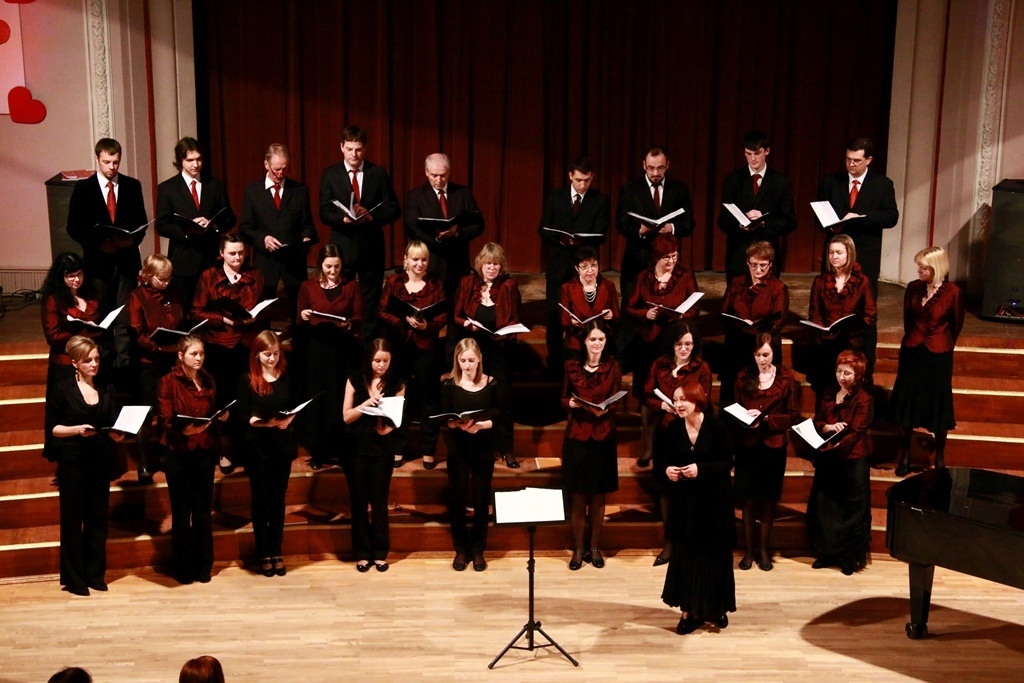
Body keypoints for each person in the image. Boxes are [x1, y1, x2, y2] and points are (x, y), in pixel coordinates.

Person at [45, 336, 124, 596]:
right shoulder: (62, 389)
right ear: (75, 363)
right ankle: (74, 577)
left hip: (100, 460)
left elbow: (113, 421)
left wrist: (118, 434)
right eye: (88, 360)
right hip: (73, 462)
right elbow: (53, 429)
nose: (94, 364)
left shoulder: (106, 387)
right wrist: (77, 430)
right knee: (72, 520)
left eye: (97, 359)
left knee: (98, 519)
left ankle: (95, 574)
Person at [658, 383, 735, 635]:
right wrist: (668, 470)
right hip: (686, 503)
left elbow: (727, 461)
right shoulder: (672, 428)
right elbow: (664, 462)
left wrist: (701, 469)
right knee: (688, 555)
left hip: (714, 502)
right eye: (676, 399)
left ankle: (715, 606)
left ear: (697, 400)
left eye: (684, 400)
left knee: (713, 553)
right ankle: (688, 611)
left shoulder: (716, 424)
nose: (679, 404)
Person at [66, 137, 148, 373]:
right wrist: (100, 244)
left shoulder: (132, 186)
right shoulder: (84, 188)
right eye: (107, 162)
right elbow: (74, 227)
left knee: (125, 316)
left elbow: (141, 223)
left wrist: (130, 241)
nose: (112, 167)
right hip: (98, 262)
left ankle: (124, 368)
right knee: (100, 314)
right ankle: (101, 365)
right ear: (97, 158)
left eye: (115, 162)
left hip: (125, 261)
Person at [319, 125, 402, 339]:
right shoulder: (330, 174)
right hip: (343, 246)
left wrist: (372, 217)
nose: (354, 154)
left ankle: (368, 345)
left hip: (371, 245)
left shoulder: (378, 173)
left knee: (370, 298)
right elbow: (324, 212)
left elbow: (393, 208)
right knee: (341, 296)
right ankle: (343, 340)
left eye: (358, 149)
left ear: (364, 149)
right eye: (349, 149)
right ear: (341, 148)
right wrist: (343, 218)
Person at [624, 234, 699, 466]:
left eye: (675, 256)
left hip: (675, 346)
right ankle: (648, 448)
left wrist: (680, 315)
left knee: (676, 397)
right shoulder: (643, 277)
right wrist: (645, 314)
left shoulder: (685, 276)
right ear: (656, 257)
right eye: (666, 257)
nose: (672, 261)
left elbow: (695, 308)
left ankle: (674, 448)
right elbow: (630, 306)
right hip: (649, 343)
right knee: (649, 399)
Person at [888, 246, 964, 476]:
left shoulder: (953, 292)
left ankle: (939, 458)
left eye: (923, 267)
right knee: (908, 401)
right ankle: (905, 456)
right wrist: (913, 339)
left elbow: (956, 325)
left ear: (936, 268)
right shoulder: (913, 288)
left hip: (938, 354)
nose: (918, 270)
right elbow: (907, 319)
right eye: (919, 266)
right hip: (912, 350)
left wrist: (941, 342)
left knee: (938, 405)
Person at [729, 333, 801, 572]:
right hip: (748, 445)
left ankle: (764, 550)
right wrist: (744, 417)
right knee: (748, 501)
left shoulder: (785, 378)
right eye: (758, 355)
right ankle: (749, 551)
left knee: (768, 501)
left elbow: (792, 415)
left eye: (766, 355)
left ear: (774, 353)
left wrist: (767, 420)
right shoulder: (743, 376)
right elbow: (734, 409)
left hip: (773, 445)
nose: (762, 359)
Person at [643, 320, 712, 565]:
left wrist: (684, 406)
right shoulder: (659, 366)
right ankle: (669, 542)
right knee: (665, 488)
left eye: (689, 345)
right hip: (665, 433)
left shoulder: (701, 368)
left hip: (690, 434)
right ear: (672, 344)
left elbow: (704, 400)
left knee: (690, 489)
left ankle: (690, 543)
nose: (685, 349)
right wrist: (662, 404)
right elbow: (648, 394)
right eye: (680, 344)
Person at [157, 336, 225, 584]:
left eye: (202, 353)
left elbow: (211, 412)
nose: (199, 358)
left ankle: (204, 565)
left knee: (203, 511)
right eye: (194, 354)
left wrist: (220, 417)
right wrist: (183, 430)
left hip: (204, 450)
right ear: (181, 356)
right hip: (178, 452)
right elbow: (166, 418)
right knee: (182, 511)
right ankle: (184, 567)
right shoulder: (167, 382)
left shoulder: (207, 380)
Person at [453, 242, 523, 469]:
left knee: (502, 398)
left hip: (499, 349)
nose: (491, 268)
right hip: (474, 350)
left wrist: (506, 333)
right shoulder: (467, 283)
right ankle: (481, 447)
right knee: (477, 397)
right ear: (480, 264)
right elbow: (457, 316)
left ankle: (506, 448)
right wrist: (467, 324)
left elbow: (514, 318)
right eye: (488, 263)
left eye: (496, 264)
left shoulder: (509, 286)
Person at [236, 330, 299, 578]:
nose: (272, 359)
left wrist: (289, 419)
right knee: (261, 502)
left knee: (278, 501)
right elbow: (242, 415)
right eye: (267, 355)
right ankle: (263, 552)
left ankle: (276, 551)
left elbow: (293, 406)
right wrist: (262, 422)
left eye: (275, 354)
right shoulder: (247, 379)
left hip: (281, 446)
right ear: (257, 354)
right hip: (258, 448)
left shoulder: (285, 377)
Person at [378, 241, 447, 469]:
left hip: (426, 347)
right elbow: (382, 310)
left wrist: (425, 326)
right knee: (398, 398)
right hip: (399, 347)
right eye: (415, 259)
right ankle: (397, 449)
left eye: (424, 260)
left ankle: (428, 451)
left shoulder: (435, 284)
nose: (420, 264)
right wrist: (400, 322)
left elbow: (442, 315)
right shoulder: (394, 283)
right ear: (406, 259)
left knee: (429, 399)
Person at [539, 156, 610, 374]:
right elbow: (543, 229)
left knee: (586, 316)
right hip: (559, 265)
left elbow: (601, 233)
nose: (582, 185)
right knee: (554, 317)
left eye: (587, 180)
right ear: (570, 176)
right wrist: (560, 239)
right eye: (578, 180)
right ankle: (555, 363)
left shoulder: (600, 200)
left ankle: (585, 361)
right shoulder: (556, 197)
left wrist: (582, 241)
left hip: (585, 266)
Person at [294, 243, 362, 470]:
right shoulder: (308, 286)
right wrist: (303, 316)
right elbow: (299, 320)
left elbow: (359, 318)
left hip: (342, 350)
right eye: (328, 267)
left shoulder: (351, 286)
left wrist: (348, 324)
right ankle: (318, 451)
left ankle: (341, 449)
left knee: (339, 398)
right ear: (320, 265)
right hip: (317, 350)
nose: (333, 271)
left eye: (336, 266)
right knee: (319, 399)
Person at [807, 350, 873, 575]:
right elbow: (820, 420)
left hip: (851, 460)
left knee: (850, 510)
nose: (842, 377)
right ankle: (826, 553)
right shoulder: (829, 392)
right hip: (829, 457)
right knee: (826, 506)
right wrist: (826, 428)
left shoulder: (864, 400)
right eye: (839, 371)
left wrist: (833, 447)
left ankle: (847, 557)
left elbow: (856, 432)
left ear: (858, 375)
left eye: (847, 373)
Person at [561, 321, 621, 570]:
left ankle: (595, 547)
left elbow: (617, 398)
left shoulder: (613, 366)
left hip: (603, 435)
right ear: (584, 342)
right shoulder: (571, 366)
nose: (597, 344)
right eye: (592, 339)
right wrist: (570, 404)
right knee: (577, 497)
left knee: (598, 496)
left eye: (601, 340)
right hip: (578, 435)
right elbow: (563, 397)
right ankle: (578, 549)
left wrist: (606, 407)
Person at [342, 338, 406, 572]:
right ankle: (362, 553)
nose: (381, 365)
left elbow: (397, 420)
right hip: (357, 448)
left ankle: (380, 553)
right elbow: (346, 416)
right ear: (369, 360)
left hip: (381, 449)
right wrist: (365, 404)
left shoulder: (397, 383)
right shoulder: (355, 379)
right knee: (359, 503)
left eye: (385, 361)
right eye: (377, 361)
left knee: (379, 503)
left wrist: (387, 428)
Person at [440, 338, 502, 571]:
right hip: (458, 448)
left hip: (483, 447)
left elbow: (499, 415)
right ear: (457, 360)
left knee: (480, 500)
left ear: (479, 360)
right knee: (457, 500)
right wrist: (456, 424)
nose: (467, 365)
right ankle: (460, 550)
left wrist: (481, 425)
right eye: (463, 360)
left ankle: (477, 550)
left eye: (471, 360)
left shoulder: (491, 383)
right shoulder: (448, 384)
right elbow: (446, 417)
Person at [155, 136, 237, 308]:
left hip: (210, 257)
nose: (195, 164)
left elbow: (229, 216)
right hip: (183, 260)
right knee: (184, 307)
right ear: (180, 161)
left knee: (212, 305)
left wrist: (213, 225)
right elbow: (161, 225)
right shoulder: (167, 188)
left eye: (198, 159)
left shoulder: (214, 185)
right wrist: (186, 231)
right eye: (190, 160)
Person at [239, 143, 318, 318]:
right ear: (266, 165)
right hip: (265, 264)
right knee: (262, 314)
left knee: (300, 313)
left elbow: (308, 226)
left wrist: (306, 238)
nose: (280, 173)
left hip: (293, 263)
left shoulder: (299, 191)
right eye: (276, 169)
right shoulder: (253, 192)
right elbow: (245, 229)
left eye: (284, 169)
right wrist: (263, 239)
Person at [126, 253, 185, 481]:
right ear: (148, 276)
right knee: (148, 412)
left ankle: (164, 455)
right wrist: (158, 348)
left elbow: (181, 319)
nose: (167, 283)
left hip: (171, 360)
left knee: (169, 410)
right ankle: (143, 462)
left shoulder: (172, 293)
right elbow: (136, 333)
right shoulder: (137, 297)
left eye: (169, 278)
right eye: (162, 279)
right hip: (149, 362)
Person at [616, 145, 694, 314]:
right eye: (651, 168)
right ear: (644, 165)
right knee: (633, 307)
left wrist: (672, 228)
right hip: (638, 258)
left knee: (668, 307)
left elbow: (688, 224)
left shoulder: (679, 189)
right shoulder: (630, 189)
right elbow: (621, 224)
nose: (656, 173)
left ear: (668, 165)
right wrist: (640, 230)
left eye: (660, 168)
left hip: (668, 260)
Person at [815, 136, 899, 292]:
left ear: (868, 160)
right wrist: (830, 227)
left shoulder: (882, 184)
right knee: (831, 293)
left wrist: (863, 218)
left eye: (856, 160)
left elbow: (891, 216)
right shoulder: (831, 181)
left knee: (863, 296)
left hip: (865, 251)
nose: (851, 164)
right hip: (836, 251)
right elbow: (819, 215)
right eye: (848, 159)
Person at [192, 232, 266, 407]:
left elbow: (266, 308)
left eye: (241, 252)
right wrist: (222, 319)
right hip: (219, 343)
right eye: (232, 253)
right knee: (221, 391)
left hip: (246, 342)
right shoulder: (209, 276)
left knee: (245, 391)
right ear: (222, 253)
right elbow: (196, 312)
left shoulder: (255, 275)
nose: (238, 257)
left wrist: (255, 318)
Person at [717, 130, 797, 282]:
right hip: (739, 255)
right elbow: (723, 220)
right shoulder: (733, 181)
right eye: (748, 153)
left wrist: (764, 221)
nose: (752, 159)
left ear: (767, 151)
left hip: (767, 255)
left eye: (757, 153)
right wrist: (740, 224)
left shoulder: (781, 182)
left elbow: (790, 221)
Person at [404, 152, 485, 300]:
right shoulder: (415, 196)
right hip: (431, 261)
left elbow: (478, 225)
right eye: (434, 175)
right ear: (426, 172)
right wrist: (436, 238)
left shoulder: (463, 193)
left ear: (449, 172)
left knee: (457, 307)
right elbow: (412, 229)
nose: (439, 180)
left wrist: (457, 233)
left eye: (443, 175)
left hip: (458, 261)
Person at [719, 240, 788, 404]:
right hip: (738, 341)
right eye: (754, 264)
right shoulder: (737, 283)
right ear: (747, 262)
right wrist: (738, 324)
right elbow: (724, 312)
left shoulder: (778, 287)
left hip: (763, 343)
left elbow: (780, 320)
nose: (758, 270)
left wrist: (762, 337)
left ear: (770, 264)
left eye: (763, 265)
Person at [807, 234, 877, 392]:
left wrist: (850, 328)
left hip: (851, 344)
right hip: (827, 344)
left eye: (839, 253)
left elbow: (870, 315)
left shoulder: (862, 281)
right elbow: (814, 311)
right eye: (831, 252)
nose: (834, 257)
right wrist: (823, 328)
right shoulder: (820, 281)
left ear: (849, 254)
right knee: (826, 389)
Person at [39, 252, 101, 428]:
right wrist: (79, 335)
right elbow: (52, 336)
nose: (76, 279)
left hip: (91, 361)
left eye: (79, 274)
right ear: (61, 276)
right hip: (66, 364)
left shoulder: (90, 295)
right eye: (70, 276)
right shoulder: (53, 300)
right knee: (68, 413)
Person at [559, 246, 619, 362]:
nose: (590, 270)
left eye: (594, 265)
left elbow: (617, 316)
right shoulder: (567, 288)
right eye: (585, 267)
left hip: (601, 342)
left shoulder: (608, 285)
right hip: (577, 341)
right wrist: (572, 322)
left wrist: (611, 316)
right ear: (577, 268)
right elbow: (564, 321)